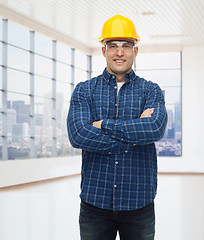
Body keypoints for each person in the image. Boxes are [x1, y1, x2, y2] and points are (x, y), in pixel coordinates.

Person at [67, 14, 167, 240]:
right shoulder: (85, 90)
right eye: (113, 46)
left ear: (135, 50)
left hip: (139, 202)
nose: (119, 52)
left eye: (126, 46)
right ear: (104, 50)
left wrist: (103, 125)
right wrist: (134, 136)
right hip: (95, 202)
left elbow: (154, 129)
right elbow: (78, 134)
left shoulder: (151, 90)